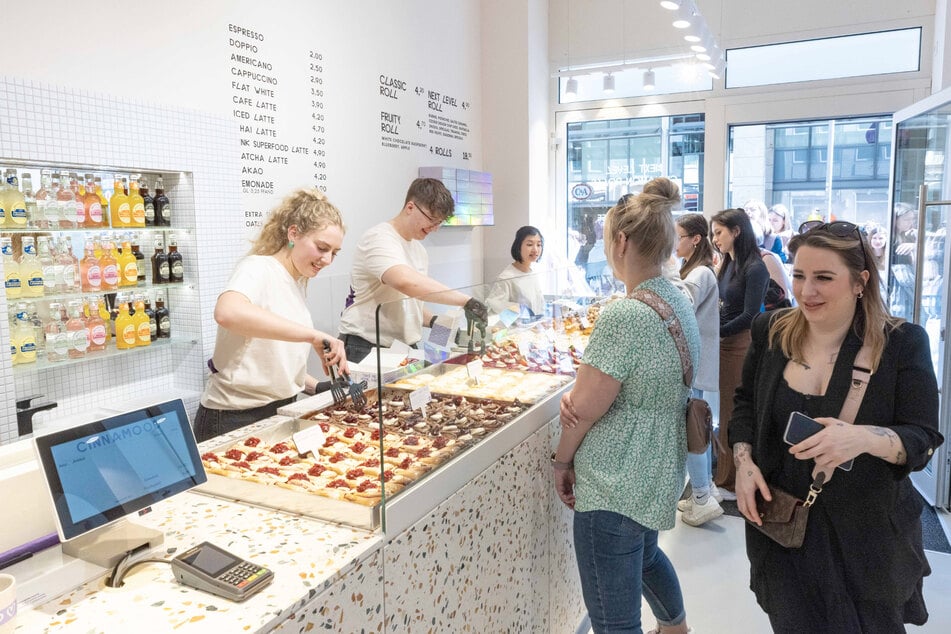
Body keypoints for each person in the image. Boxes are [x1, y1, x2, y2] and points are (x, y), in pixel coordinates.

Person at [731, 220, 943, 632]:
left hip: (867, 542)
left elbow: (922, 439)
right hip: (783, 530)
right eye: (799, 275)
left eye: (824, 278)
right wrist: (743, 463)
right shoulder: (770, 332)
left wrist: (862, 438)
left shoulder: (901, 343)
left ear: (860, 281)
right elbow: (745, 406)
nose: (806, 291)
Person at [553, 177, 698, 634]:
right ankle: (676, 629)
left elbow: (584, 409)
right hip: (657, 467)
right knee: (648, 556)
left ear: (620, 241)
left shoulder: (626, 313)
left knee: (615, 622)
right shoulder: (678, 297)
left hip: (614, 478)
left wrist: (561, 460)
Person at [194, 188, 349, 442]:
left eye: (334, 252)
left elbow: (269, 356)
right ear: (293, 233)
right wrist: (312, 336)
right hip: (234, 417)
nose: (328, 259)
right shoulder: (259, 267)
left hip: (278, 411)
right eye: (322, 248)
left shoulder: (295, 281)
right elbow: (227, 312)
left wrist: (314, 387)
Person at [337, 178, 488, 363]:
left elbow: (411, 304)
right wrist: (466, 301)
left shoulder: (419, 249)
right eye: (432, 220)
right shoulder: (379, 238)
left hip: (404, 347)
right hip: (366, 346)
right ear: (410, 207)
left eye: (439, 223)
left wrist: (448, 331)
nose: (434, 229)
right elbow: (406, 283)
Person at [710, 208, 769, 498]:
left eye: (719, 232)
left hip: (741, 343)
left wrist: (718, 331)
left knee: (735, 410)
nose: (714, 239)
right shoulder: (727, 265)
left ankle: (735, 476)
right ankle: (725, 474)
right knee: (725, 408)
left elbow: (750, 315)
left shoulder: (755, 267)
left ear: (736, 232)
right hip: (725, 341)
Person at [674, 213, 724, 526]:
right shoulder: (696, 270)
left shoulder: (700, 273)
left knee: (694, 428)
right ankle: (704, 492)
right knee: (698, 425)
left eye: (678, 236)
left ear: (695, 239)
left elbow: (680, 306)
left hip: (694, 362)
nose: (673, 243)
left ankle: (703, 495)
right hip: (695, 360)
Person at [485, 225, 545, 317]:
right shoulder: (506, 277)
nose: (535, 249)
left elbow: (539, 305)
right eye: (529, 244)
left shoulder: (532, 273)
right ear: (518, 246)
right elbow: (494, 307)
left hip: (534, 327)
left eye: (539, 245)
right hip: (516, 329)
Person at [890, 202, 918, 319]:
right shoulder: (890, 239)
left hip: (906, 282)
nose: (910, 223)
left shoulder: (908, 236)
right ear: (895, 220)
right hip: (897, 283)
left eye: (912, 219)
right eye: (906, 219)